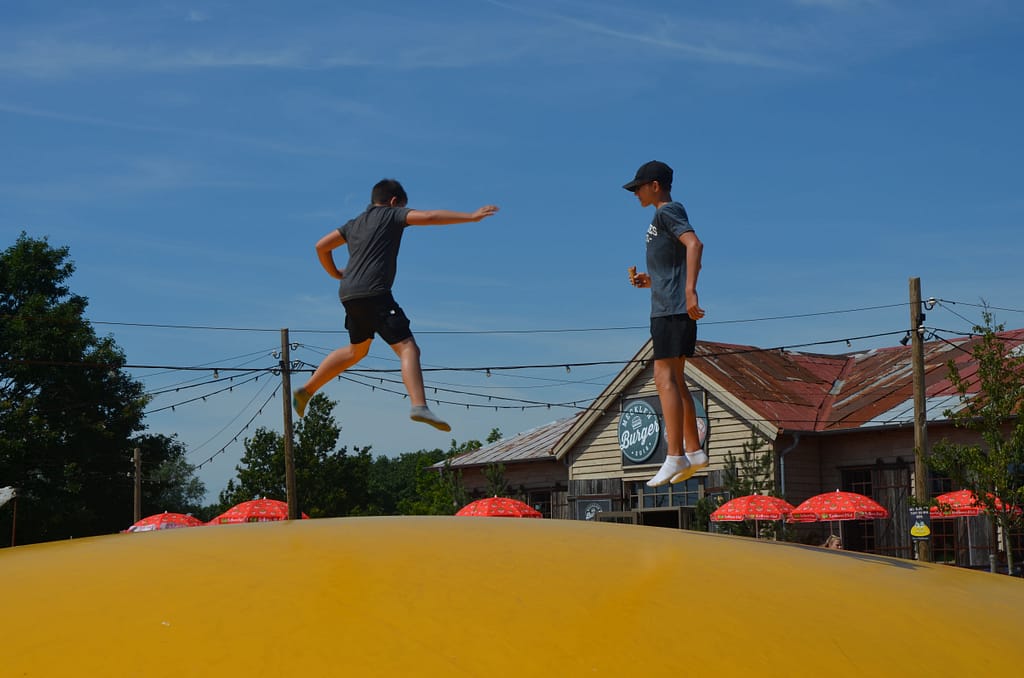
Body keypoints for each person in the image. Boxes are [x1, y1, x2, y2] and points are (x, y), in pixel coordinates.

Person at [293, 178, 499, 431]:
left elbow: (321, 246)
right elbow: (431, 216)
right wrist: (471, 216)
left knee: (356, 350)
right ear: (394, 202)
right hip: (374, 293)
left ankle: (307, 389)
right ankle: (419, 405)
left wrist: (336, 273)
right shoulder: (392, 215)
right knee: (408, 348)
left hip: (349, 295)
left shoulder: (354, 223)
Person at [623, 160, 708, 487]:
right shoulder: (663, 217)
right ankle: (693, 450)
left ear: (654, 185)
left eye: (638, 188)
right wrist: (652, 280)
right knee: (675, 378)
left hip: (671, 310)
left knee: (663, 377)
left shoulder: (667, 212)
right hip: (669, 305)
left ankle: (674, 455)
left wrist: (689, 291)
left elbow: (694, 245)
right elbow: (674, 262)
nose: (635, 194)